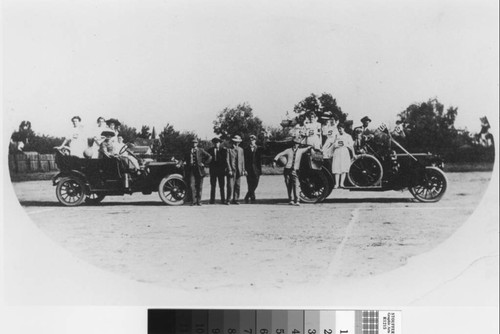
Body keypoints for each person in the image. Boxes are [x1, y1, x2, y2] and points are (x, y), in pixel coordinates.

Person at [273, 137, 312, 206]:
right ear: (293, 144)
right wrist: (275, 161)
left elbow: (308, 148)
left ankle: (297, 200)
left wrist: (311, 146)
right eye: (295, 143)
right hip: (287, 170)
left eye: (297, 144)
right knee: (289, 185)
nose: (296, 145)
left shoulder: (300, 150)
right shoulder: (288, 150)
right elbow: (279, 154)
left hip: (295, 170)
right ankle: (291, 200)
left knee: (296, 185)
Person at [184, 138, 212, 206]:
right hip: (191, 170)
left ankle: (199, 201)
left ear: (197, 143)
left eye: (195, 143)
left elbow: (209, 156)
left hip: (199, 170)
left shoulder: (201, 150)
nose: (194, 144)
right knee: (191, 185)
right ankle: (193, 201)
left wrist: (204, 163)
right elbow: (184, 158)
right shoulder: (188, 151)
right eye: (193, 143)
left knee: (199, 186)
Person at [331, 124, 356, 188]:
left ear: (343, 128)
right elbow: (333, 145)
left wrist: (353, 154)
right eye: (338, 128)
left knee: (343, 168)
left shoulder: (348, 136)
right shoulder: (336, 136)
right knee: (337, 168)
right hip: (337, 152)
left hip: (344, 152)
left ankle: (342, 184)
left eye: (341, 128)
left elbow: (351, 146)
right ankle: (336, 184)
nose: (340, 130)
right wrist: (331, 153)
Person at [225, 135, 246, 205]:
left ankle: (236, 199)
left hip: (238, 170)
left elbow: (242, 160)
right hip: (231, 170)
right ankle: (228, 199)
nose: (237, 143)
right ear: (233, 142)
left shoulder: (241, 150)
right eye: (235, 142)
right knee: (230, 186)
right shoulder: (229, 150)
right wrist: (229, 169)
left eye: (238, 142)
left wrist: (243, 169)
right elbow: (227, 160)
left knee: (237, 185)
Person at [244, 134, 263, 203]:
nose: (252, 141)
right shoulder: (246, 149)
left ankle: (247, 195)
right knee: (249, 183)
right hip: (248, 169)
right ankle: (252, 197)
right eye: (251, 140)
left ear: (255, 141)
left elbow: (259, 160)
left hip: (256, 169)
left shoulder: (258, 148)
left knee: (255, 183)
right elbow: (245, 160)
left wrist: (260, 170)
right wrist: (244, 169)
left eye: (253, 140)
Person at [207, 137, 226, 204]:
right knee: (213, 185)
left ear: (220, 143)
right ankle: (212, 200)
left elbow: (225, 161)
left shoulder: (224, 150)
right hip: (213, 170)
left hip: (221, 171)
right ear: (213, 143)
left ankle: (223, 200)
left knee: (222, 186)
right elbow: (207, 159)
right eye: (215, 143)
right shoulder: (210, 150)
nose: (216, 144)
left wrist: (224, 169)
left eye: (217, 143)